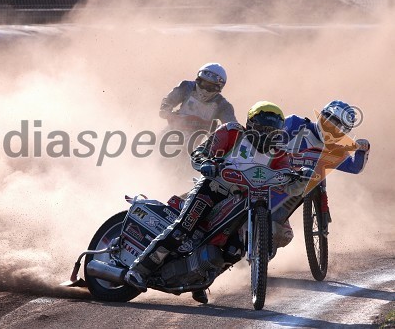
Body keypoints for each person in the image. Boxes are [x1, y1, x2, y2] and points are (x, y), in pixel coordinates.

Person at [125, 101, 312, 304]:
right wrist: (206, 163)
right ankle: (139, 268)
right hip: (213, 188)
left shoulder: (279, 152)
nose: (267, 135)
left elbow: (288, 181)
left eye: (272, 131)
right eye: (262, 129)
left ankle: (198, 280)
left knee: (234, 251)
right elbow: (200, 153)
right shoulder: (232, 132)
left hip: (244, 200)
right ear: (250, 124)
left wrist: (300, 178)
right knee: (182, 229)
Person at [271, 100, 370, 250]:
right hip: (268, 181)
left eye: (341, 129)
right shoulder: (295, 124)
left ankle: (257, 259)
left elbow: (354, 167)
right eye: (332, 124)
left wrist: (363, 149)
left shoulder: (335, 149)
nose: (333, 132)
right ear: (322, 117)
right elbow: (268, 144)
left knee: (282, 236)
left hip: (292, 193)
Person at [159, 63, 237, 135]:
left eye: (210, 86)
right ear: (198, 80)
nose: (205, 89)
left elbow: (232, 129)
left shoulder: (223, 105)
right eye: (203, 83)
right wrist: (166, 110)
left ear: (219, 87)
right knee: (154, 142)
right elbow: (169, 100)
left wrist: (218, 130)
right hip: (173, 130)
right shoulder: (186, 87)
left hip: (202, 141)